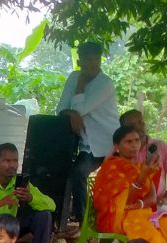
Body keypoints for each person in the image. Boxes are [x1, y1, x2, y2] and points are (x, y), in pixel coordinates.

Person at [57, 41, 119, 225]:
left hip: (103, 143)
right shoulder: (73, 77)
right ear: (80, 61)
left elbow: (81, 108)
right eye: (88, 59)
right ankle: (61, 218)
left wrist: (81, 86)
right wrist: (70, 112)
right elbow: (61, 108)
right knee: (62, 173)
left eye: (96, 59)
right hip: (80, 142)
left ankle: (82, 220)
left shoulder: (105, 83)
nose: (93, 64)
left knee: (79, 173)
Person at [120, 109, 167, 212]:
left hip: (157, 207)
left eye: (140, 122)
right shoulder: (117, 150)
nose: (138, 127)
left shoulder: (161, 147)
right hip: (127, 208)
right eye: (132, 125)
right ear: (123, 129)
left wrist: (166, 198)